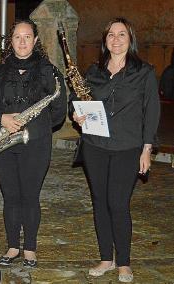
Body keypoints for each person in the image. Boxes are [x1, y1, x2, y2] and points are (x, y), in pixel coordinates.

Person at [71, 18, 160, 283]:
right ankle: (105, 259)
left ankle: (123, 262)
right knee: (99, 202)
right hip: (95, 146)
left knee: (118, 204)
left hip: (128, 147)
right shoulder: (93, 71)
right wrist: (77, 115)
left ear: (130, 39)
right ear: (105, 40)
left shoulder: (143, 72)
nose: (116, 39)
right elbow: (76, 99)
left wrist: (146, 150)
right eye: (112, 34)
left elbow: (152, 112)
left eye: (122, 34)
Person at [0, 20, 67, 268]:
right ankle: (12, 247)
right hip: (5, 140)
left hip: (35, 143)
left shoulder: (48, 71)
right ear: (11, 41)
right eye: (17, 37)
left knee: (30, 196)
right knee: (10, 196)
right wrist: (3, 119)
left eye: (27, 37)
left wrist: (34, 127)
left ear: (35, 40)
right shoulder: (0, 71)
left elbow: (58, 111)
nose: (22, 41)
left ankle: (30, 247)